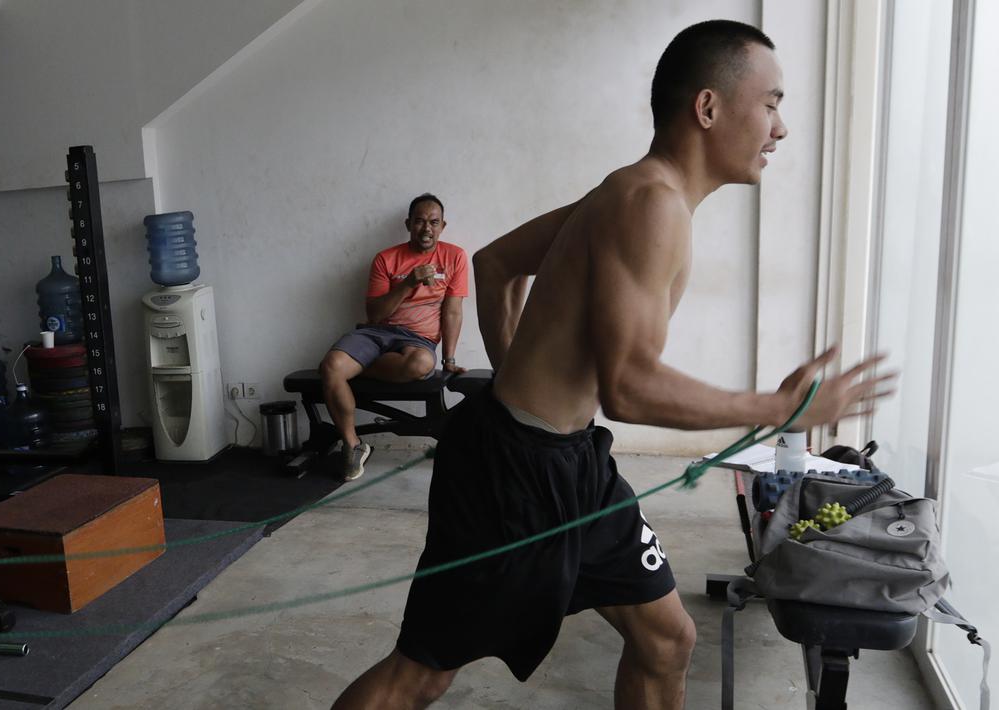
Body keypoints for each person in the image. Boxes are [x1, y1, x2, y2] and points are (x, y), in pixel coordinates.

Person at [333, 20, 895, 710]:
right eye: (771, 103)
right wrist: (780, 410)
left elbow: (496, 264)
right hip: (509, 476)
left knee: (666, 638)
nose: (779, 128)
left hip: (570, 462)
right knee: (419, 675)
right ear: (709, 108)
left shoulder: (630, 192)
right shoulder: (647, 204)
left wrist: (515, 382)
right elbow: (626, 387)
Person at [319, 193, 470, 482]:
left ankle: (360, 363)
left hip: (418, 340)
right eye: (420, 222)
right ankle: (353, 446)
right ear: (408, 224)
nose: (427, 228)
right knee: (332, 367)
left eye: (434, 222)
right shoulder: (386, 258)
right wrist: (409, 283)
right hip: (376, 333)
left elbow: (452, 312)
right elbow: (374, 315)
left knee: (421, 365)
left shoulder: (455, 257)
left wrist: (449, 359)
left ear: (443, 226)